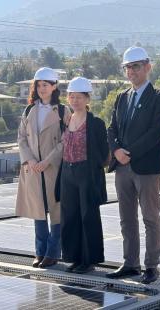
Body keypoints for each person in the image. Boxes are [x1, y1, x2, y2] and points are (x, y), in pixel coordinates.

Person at [106, 47, 160, 284]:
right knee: (126, 218)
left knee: (150, 218)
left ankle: (151, 266)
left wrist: (129, 153)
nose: (131, 71)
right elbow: (111, 128)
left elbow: (156, 132)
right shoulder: (122, 97)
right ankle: (130, 263)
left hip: (146, 168)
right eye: (128, 67)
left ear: (147, 67)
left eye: (136, 66)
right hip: (122, 168)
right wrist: (116, 150)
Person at [16, 67, 70, 269]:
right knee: (38, 211)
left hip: (52, 168)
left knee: (55, 212)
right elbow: (21, 138)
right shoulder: (29, 110)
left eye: (45, 85)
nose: (41, 89)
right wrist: (30, 160)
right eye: (38, 85)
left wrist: (47, 161)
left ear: (54, 86)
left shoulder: (63, 111)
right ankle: (40, 251)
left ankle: (53, 253)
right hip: (33, 169)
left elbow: (66, 141)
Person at [60, 77, 109, 274]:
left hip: (86, 173)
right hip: (67, 172)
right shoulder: (66, 119)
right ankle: (75, 257)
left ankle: (89, 260)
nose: (75, 101)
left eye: (79, 97)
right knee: (70, 216)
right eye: (72, 97)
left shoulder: (96, 123)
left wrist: (93, 171)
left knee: (88, 216)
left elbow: (104, 153)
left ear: (88, 98)